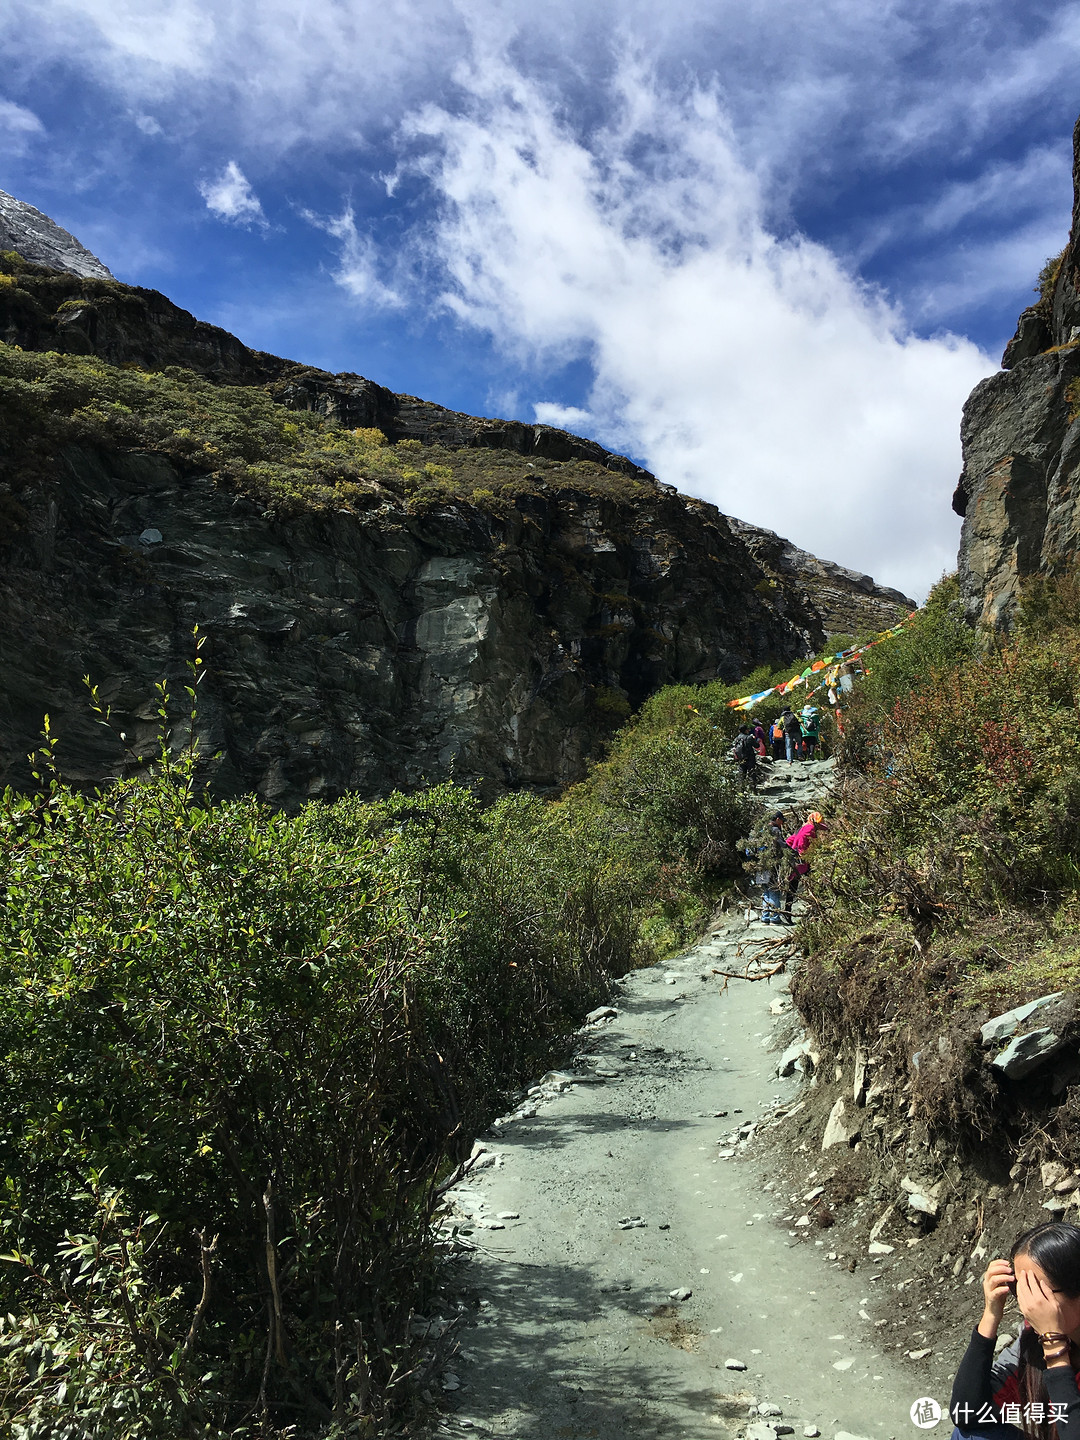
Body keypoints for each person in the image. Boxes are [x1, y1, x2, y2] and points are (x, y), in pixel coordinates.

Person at [950, 1221, 1080, 1440]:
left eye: (1036, 1291)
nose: (1027, 1305)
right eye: (1017, 1289)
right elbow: (967, 1415)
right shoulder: (1033, 1340)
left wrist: (1055, 1345)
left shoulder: (1047, 1339)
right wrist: (991, 1315)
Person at [781, 810, 827, 922]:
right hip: (802, 862)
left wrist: (789, 852)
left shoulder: (803, 827)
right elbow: (801, 843)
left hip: (796, 862)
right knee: (814, 884)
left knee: (793, 888)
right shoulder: (809, 829)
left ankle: (788, 912)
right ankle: (817, 911)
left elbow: (789, 841)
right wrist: (802, 854)